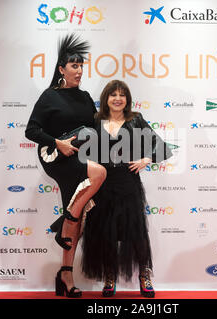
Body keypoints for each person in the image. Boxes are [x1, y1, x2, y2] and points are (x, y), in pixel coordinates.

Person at [25, 34, 106, 298]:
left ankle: (65, 277)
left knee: (78, 216)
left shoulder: (84, 97)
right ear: (62, 69)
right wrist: (57, 143)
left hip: (79, 158)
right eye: (74, 66)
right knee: (99, 175)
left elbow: (95, 132)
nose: (79, 71)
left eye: (82, 66)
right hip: (55, 158)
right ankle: (64, 221)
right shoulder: (49, 96)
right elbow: (31, 130)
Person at [81, 80, 172, 298]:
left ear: (127, 100)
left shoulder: (136, 119)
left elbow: (161, 146)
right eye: (113, 94)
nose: (118, 98)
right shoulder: (95, 121)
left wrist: (146, 159)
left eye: (122, 94)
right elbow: (83, 152)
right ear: (106, 98)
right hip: (102, 185)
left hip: (128, 183)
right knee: (106, 233)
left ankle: (144, 275)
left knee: (135, 233)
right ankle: (110, 277)